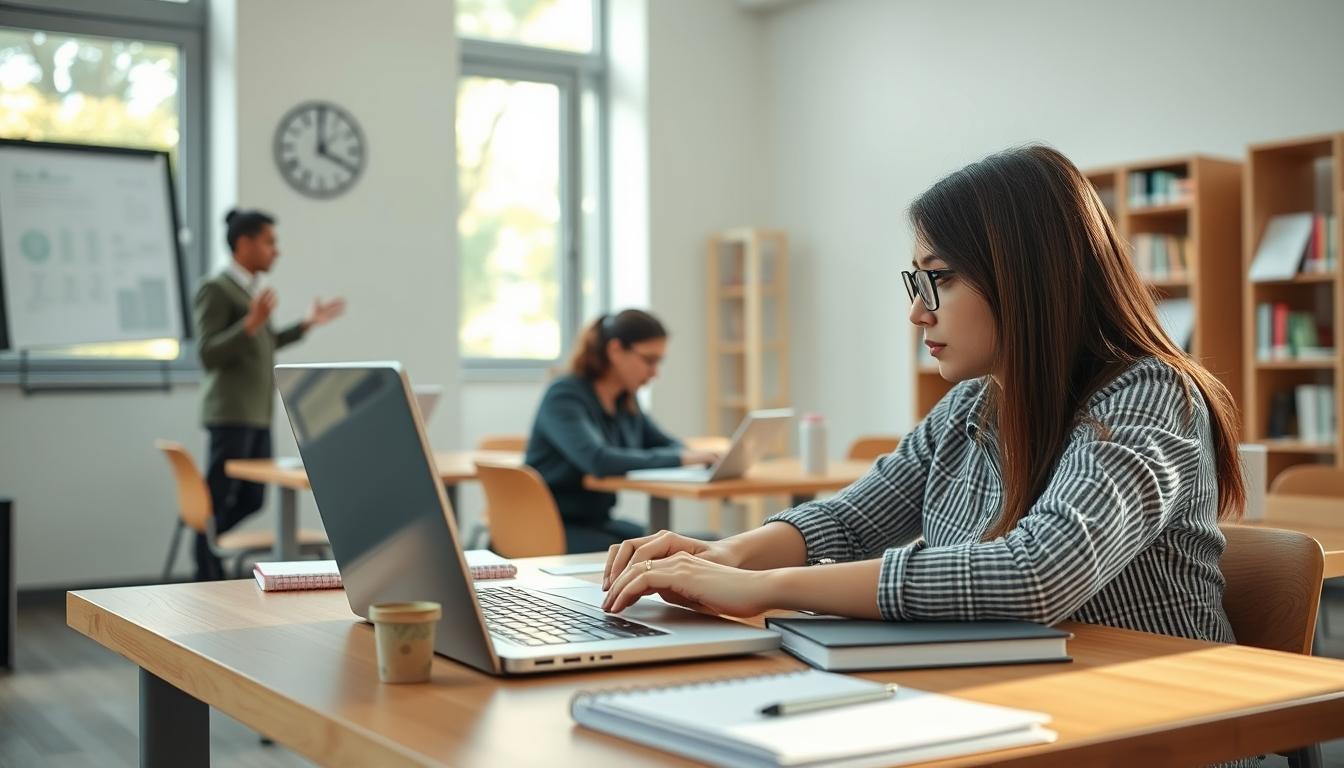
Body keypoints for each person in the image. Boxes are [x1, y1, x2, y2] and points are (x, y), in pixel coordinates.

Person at [600, 145, 1247, 647]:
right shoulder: (971, 406)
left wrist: (759, 587)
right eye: (915, 282)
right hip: (1025, 704)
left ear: (1024, 279)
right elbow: (850, 521)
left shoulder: (1151, 395)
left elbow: (1035, 575)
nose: (916, 312)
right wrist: (722, 555)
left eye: (938, 280)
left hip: (1163, 730)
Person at [192, 208, 345, 580]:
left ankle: (209, 555)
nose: (276, 251)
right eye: (269, 242)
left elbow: (265, 342)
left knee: (254, 497)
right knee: (218, 497)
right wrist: (248, 324)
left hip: (257, 412)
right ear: (244, 243)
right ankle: (205, 568)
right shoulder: (216, 289)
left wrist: (305, 325)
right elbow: (207, 352)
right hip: (230, 413)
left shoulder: (250, 292)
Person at [525, 309, 720, 553]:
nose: (654, 372)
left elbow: (665, 443)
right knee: (667, 552)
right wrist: (684, 458)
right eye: (649, 360)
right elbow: (598, 460)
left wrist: (689, 455)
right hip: (552, 528)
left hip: (597, 523)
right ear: (616, 350)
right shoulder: (564, 395)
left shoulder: (625, 401)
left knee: (706, 543)